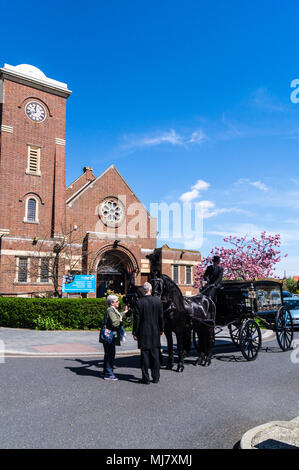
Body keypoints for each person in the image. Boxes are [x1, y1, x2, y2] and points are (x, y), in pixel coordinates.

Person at [133, 282, 164, 384]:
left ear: (144, 290)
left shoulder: (139, 302)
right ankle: (156, 377)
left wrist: (135, 332)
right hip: (155, 331)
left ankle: (145, 378)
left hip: (143, 332)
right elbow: (161, 318)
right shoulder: (158, 302)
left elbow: (137, 319)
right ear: (151, 289)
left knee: (144, 356)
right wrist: (161, 329)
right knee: (155, 356)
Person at [102, 294, 128, 381]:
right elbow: (115, 323)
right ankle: (109, 374)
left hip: (108, 336)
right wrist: (120, 320)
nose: (118, 302)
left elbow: (117, 316)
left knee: (108, 353)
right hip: (109, 336)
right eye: (117, 301)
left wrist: (124, 313)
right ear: (112, 303)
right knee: (110, 354)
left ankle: (106, 371)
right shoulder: (110, 310)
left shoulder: (113, 310)